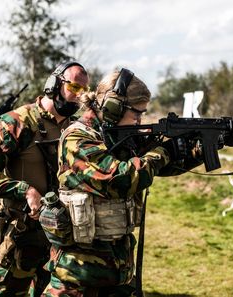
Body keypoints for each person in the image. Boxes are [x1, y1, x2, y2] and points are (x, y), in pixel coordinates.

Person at [40, 68, 203, 296]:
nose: (140, 120)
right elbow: (119, 179)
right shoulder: (79, 138)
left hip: (119, 273)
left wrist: (201, 149)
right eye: (137, 113)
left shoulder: (118, 136)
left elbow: (158, 168)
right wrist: (161, 153)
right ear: (113, 108)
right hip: (78, 278)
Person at [0, 61, 89, 296]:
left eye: (83, 91)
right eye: (74, 87)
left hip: (59, 241)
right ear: (53, 85)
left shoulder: (75, 129)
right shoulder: (17, 122)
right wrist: (25, 190)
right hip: (18, 237)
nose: (79, 96)